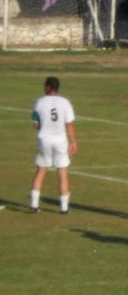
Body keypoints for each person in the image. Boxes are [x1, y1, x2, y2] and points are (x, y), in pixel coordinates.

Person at [29, 76, 78, 214]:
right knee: (62, 173)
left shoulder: (39, 102)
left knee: (41, 170)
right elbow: (70, 125)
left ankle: (34, 205)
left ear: (48, 87)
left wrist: (43, 130)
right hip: (60, 141)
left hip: (44, 139)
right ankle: (64, 208)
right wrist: (73, 142)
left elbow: (35, 124)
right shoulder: (65, 102)